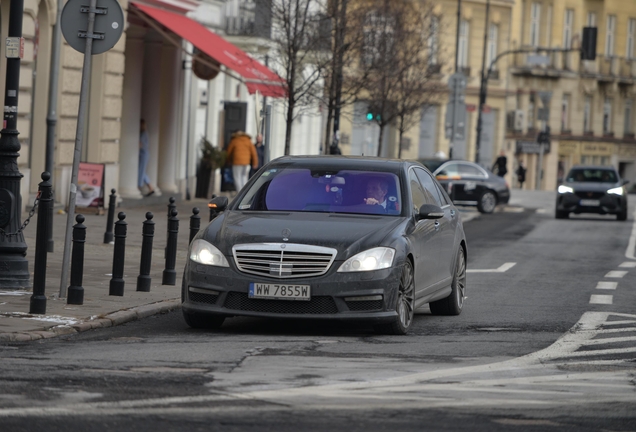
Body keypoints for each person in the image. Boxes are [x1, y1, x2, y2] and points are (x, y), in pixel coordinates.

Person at [138, 119, 155, 196]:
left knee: (141, 171)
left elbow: (140, 144)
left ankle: (139, 187)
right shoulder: (143, 133)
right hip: (143, 154)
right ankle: (150, 187)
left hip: (143, 154)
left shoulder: (143, 133)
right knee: (142, 171)